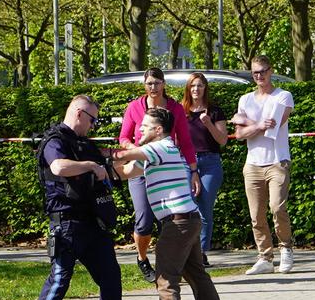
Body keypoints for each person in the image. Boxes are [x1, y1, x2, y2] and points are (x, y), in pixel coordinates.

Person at [114, 106, 235, 300]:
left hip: (177, 224)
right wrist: (98, 167)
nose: (139, 130)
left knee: (165, 278)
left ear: (158, 130)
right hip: (188, 221)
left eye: (145, 127)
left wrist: (101, 154)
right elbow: (125, 172)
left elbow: (123, 154)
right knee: (198, 277)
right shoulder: (161, 152)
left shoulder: (160, 147)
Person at [25, 96, 137, 300]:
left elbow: (111, 168)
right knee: (59, 279)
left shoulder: (85, 144)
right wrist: (90, 166)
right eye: (92, 120)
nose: (93, 125)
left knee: (111, 277)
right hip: (66, 223)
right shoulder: (55, 141)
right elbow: (58, 167)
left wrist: (143, 160)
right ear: (78, 113)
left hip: (93, 223)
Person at [119, 67, 198, 286]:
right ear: (144, 85)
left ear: (164, 84)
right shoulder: (134, 107)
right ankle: (142, 258)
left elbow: (185, 141)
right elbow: (123, 137)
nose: (153, 87)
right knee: (144, 220)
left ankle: (170, 266)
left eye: (157, 83)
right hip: (141, 166)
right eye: (149, 83)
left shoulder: (175, 108)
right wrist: (135, 149)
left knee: (170, 220)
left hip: (165, 167)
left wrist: (193, 171)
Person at [232, 54, 295, 275]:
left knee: (277, 207)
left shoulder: (283, 96)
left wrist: (248, 123)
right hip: (253, 164)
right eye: (255, 72)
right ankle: (265, 257)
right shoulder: (245, 99)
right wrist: (258, 125)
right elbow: (239, 134)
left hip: (278, 161)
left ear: (271, 71)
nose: (259, 76)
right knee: (256, 215)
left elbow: (273, 129)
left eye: (262, 71)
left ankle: (286, 248)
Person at [181, 71, 229, 255]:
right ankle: (188, 252)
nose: (196, 89)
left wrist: (209, 124)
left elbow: (222, 140)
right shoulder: (181, 111)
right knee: (187, 207)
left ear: (205, 88)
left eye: (200, 85)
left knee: (205, 209)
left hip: (210, 163)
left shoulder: (214, 111)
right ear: (188, 88)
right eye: (193, 85)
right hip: (187, 163)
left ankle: (201, 254)